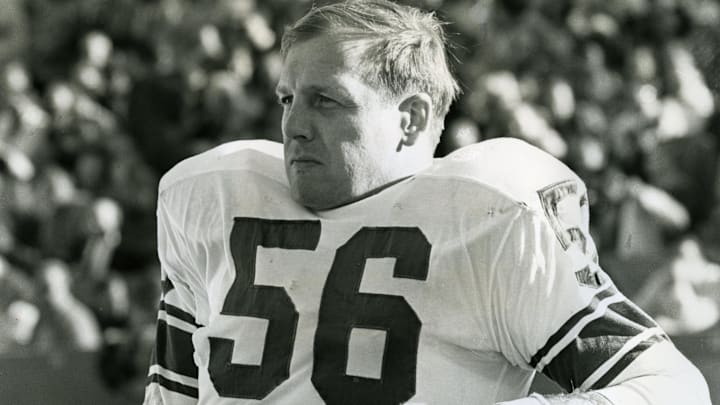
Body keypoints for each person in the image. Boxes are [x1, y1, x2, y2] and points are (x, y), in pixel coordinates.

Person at [143, 1, 712, 404]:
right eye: (288, 98)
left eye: (326, 101)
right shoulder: (216, 197)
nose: (293, 125)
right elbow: (172, 395)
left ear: (411, 118)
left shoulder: (489, 210)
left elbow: (672, 387)